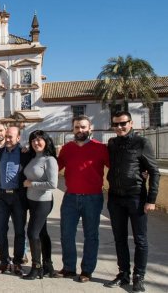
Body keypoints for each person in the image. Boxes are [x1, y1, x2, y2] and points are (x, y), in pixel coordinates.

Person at [104, 111, 159, 293]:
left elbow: (154, 171)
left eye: (123, 123)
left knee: (140, 240)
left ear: (131, 123)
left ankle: (139, 276)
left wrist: (151, 199)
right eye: (116, 124)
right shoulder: (112, 143)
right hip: (115, 198)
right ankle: (124, 273)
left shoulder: (142, 142)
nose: (119, 127)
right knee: (119, 239)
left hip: (136, 197)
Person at [56, 115, 109, 282]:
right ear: (73, 129)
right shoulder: (67, 148)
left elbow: (117, 167)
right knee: (66, 234)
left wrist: (141, 171)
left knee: (91, 235)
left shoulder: (101, 148)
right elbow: (53, 167)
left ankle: (87, 270)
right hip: (70, 197)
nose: (80, 130)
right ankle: (69, 268)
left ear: (90, 128)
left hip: (93, 199)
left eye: (83, 127)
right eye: (77, 127)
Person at [0, 126, 30, 275]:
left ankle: (18, 263)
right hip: (1, 196)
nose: (7, 139)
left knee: (20, 231)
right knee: (1, 230)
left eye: (10, 137)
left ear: (18, 138)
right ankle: (4, 262)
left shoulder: (25, 153)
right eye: (6, 136)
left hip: (18, 197)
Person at [22, 130, 58, 280]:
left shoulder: (50, 160)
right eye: (33, 141)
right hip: (31, 201)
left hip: (43, 201)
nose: (37, 143)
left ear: (46, 141)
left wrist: (31, 183)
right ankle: (48, 265)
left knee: (32, 233)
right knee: (42, 233)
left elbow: (53, 184)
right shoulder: (32, 157)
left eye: (39, 140)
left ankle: (36, 267)